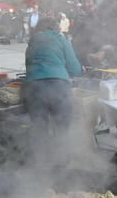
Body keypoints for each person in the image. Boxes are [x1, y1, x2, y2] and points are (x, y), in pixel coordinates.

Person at [23, 17, 83, 162]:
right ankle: (61, 168)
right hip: (59, 86)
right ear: (56, 28)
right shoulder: (61, 39)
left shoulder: (32, 42)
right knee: (62, 130)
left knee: (39, 130)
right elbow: (75, 69)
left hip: (34, 87)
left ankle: (41, 167)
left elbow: (28, 66)